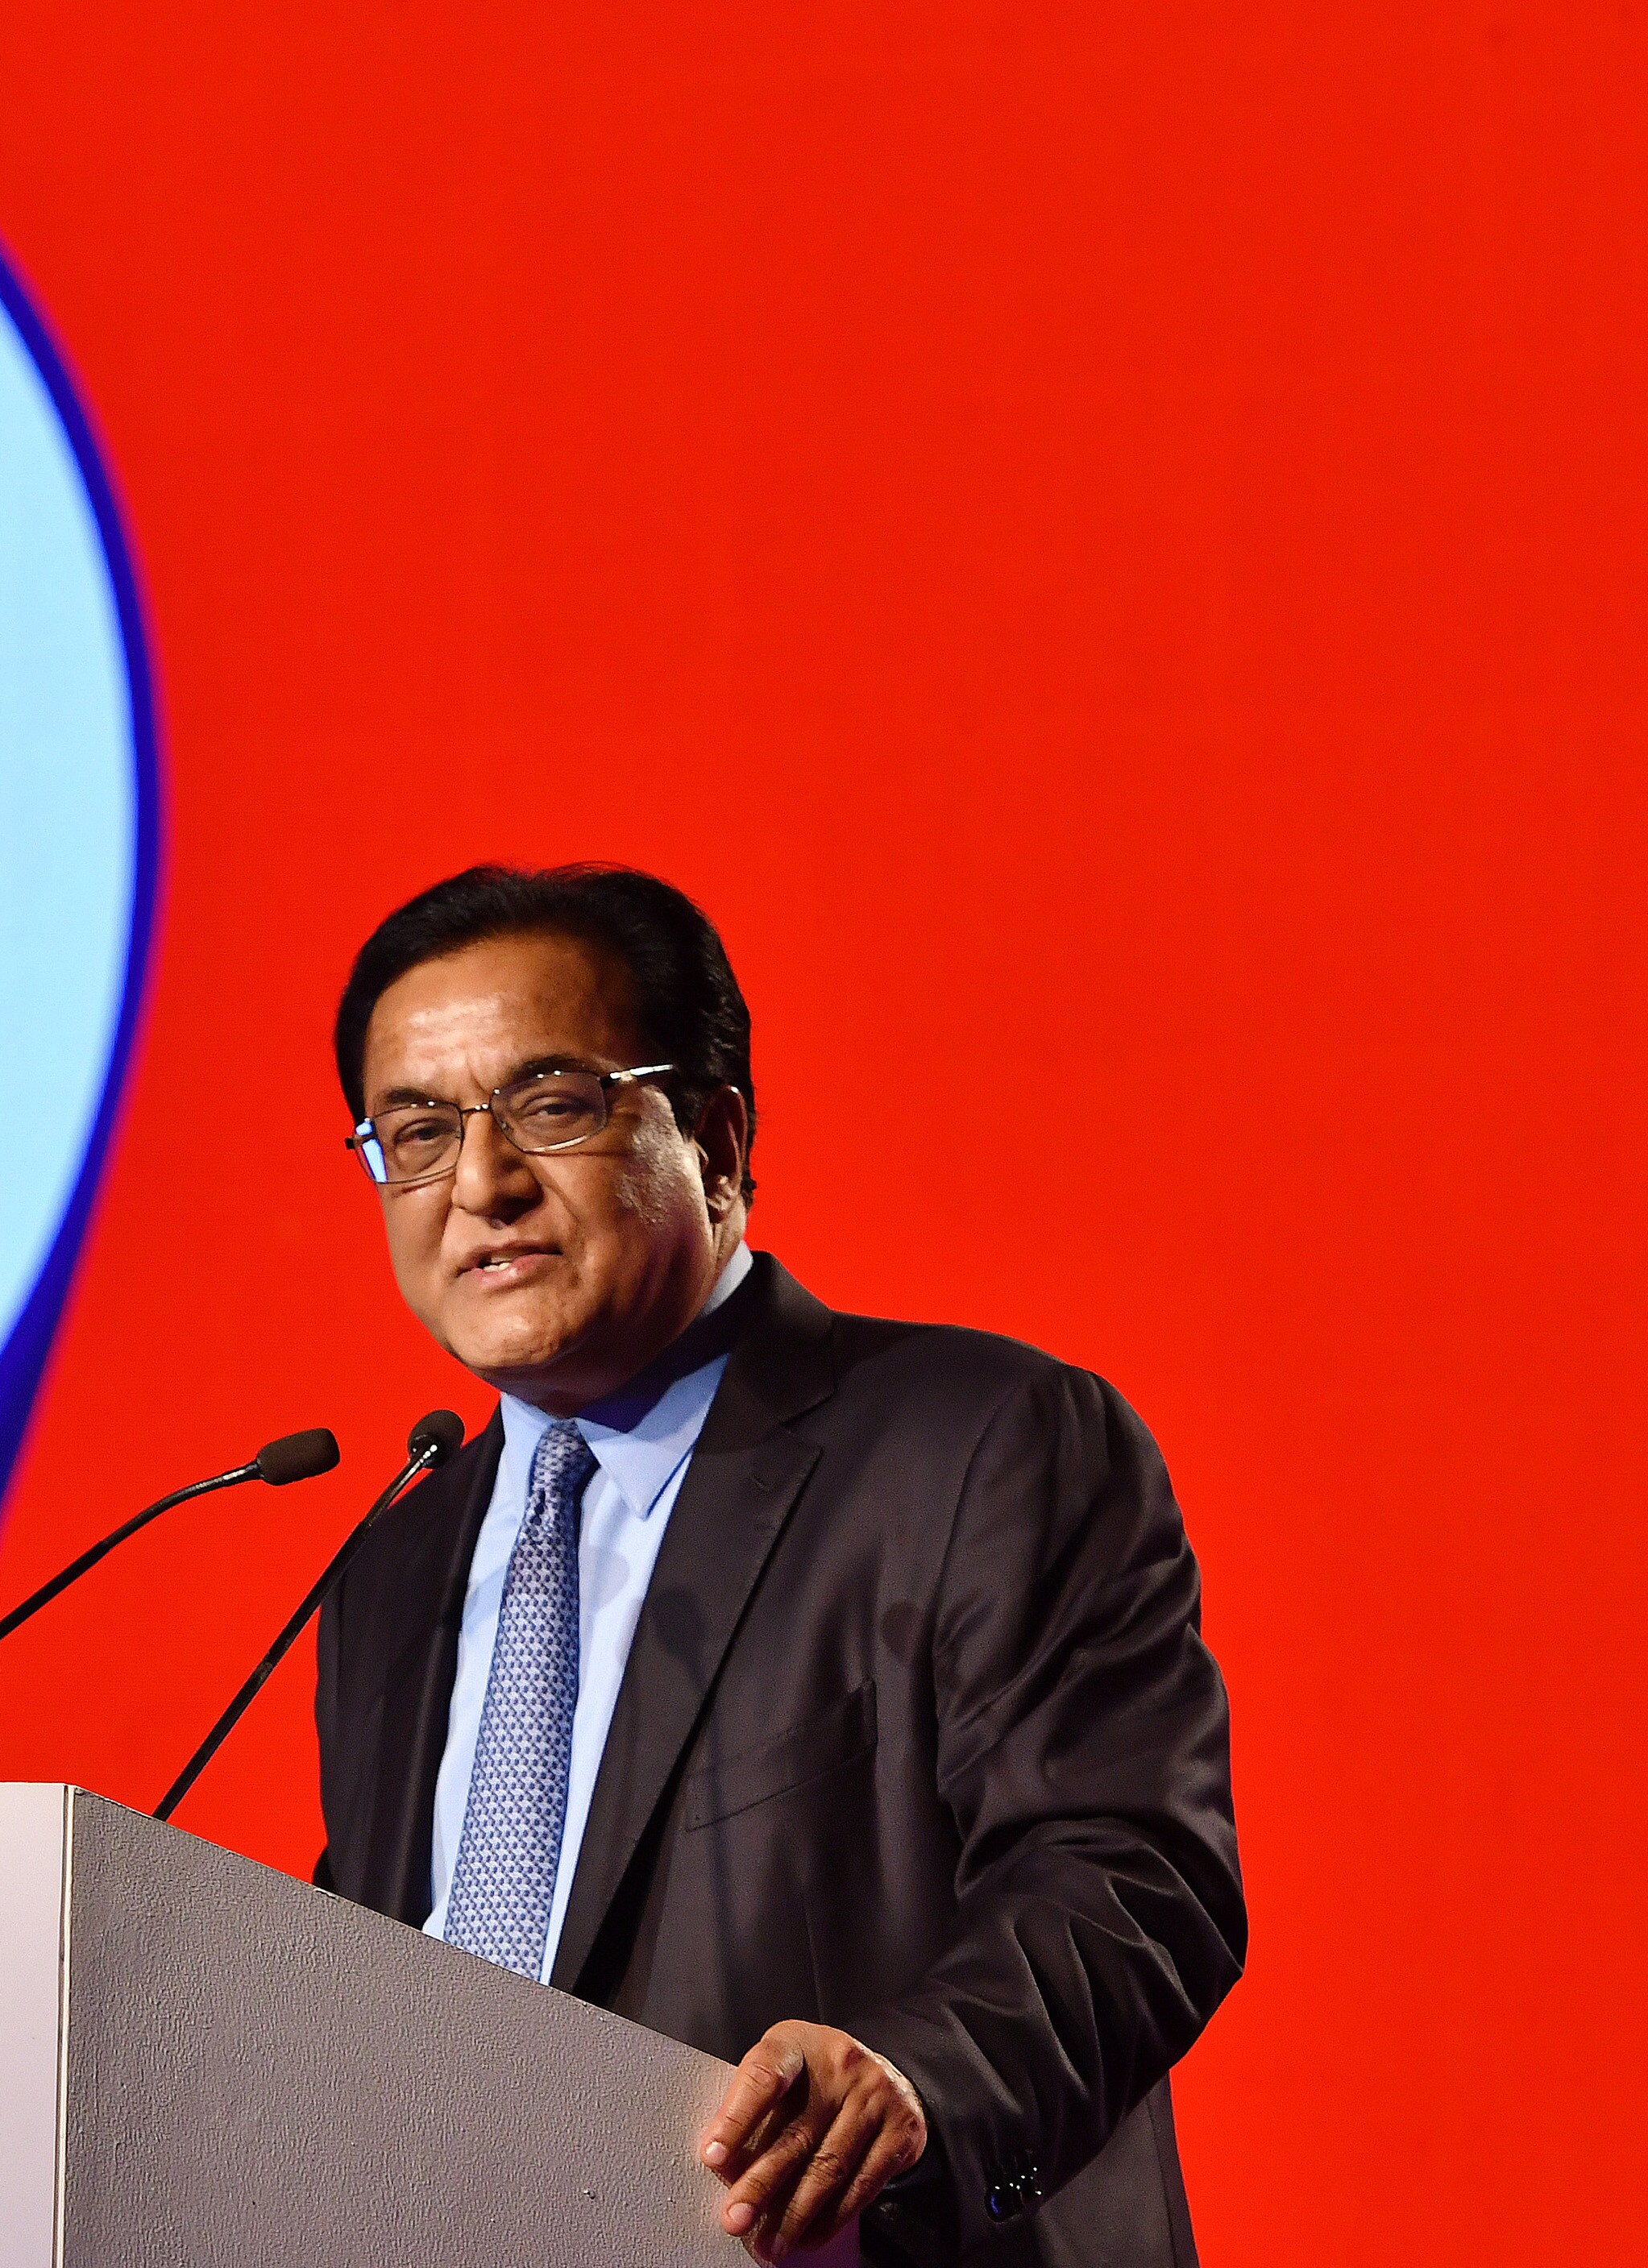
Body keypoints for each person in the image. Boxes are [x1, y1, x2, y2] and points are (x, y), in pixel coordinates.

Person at [309, 866, 1244, 2266]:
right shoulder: (392, 1567)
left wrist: (917, 2079)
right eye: (420, 1133)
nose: (482, 1185)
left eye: (551, 1107)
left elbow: (1131, 1878)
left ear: (717, 1140)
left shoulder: (977, 1446)